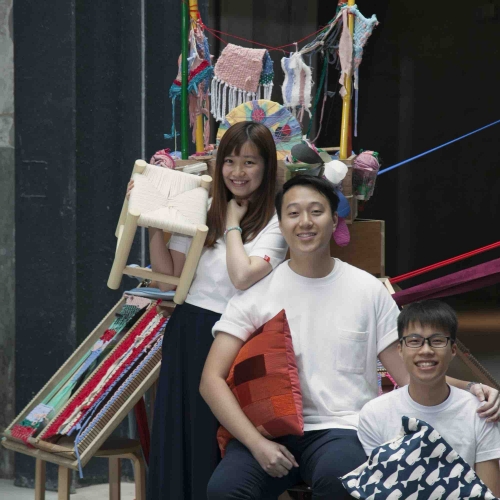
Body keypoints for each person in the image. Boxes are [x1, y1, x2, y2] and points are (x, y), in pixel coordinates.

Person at [200, 175, 500, 500]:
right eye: (293, 213)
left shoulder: (367, 290)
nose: (305, 222)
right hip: (268, 430)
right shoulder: (256, 294)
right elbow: (211, 380)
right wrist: (256, 443)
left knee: (341, 483)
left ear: (334, 221)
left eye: (316, 211)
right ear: (281, 224)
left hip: (343, 430)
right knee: (224, 490)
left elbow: (408, 374)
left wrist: (472, 387)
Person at [137, 122, 288, 500]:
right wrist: (153, 221)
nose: (238, 172)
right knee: (178, 437)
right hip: (187, 331)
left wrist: (232, 224)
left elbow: (242, 276)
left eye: (250, 162)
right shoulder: (201, 208)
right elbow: (167, 283)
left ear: (267, 167)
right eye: (230, 161)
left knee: (216, 442)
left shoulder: (276, 223)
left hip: (237, 342)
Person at [357, 300, 500, 496]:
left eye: (437, 341)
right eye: (414, 341)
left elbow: (489, 493)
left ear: (453, 350)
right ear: (400, 349)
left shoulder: (480, 412)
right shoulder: (375, 414)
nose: (426, 350)